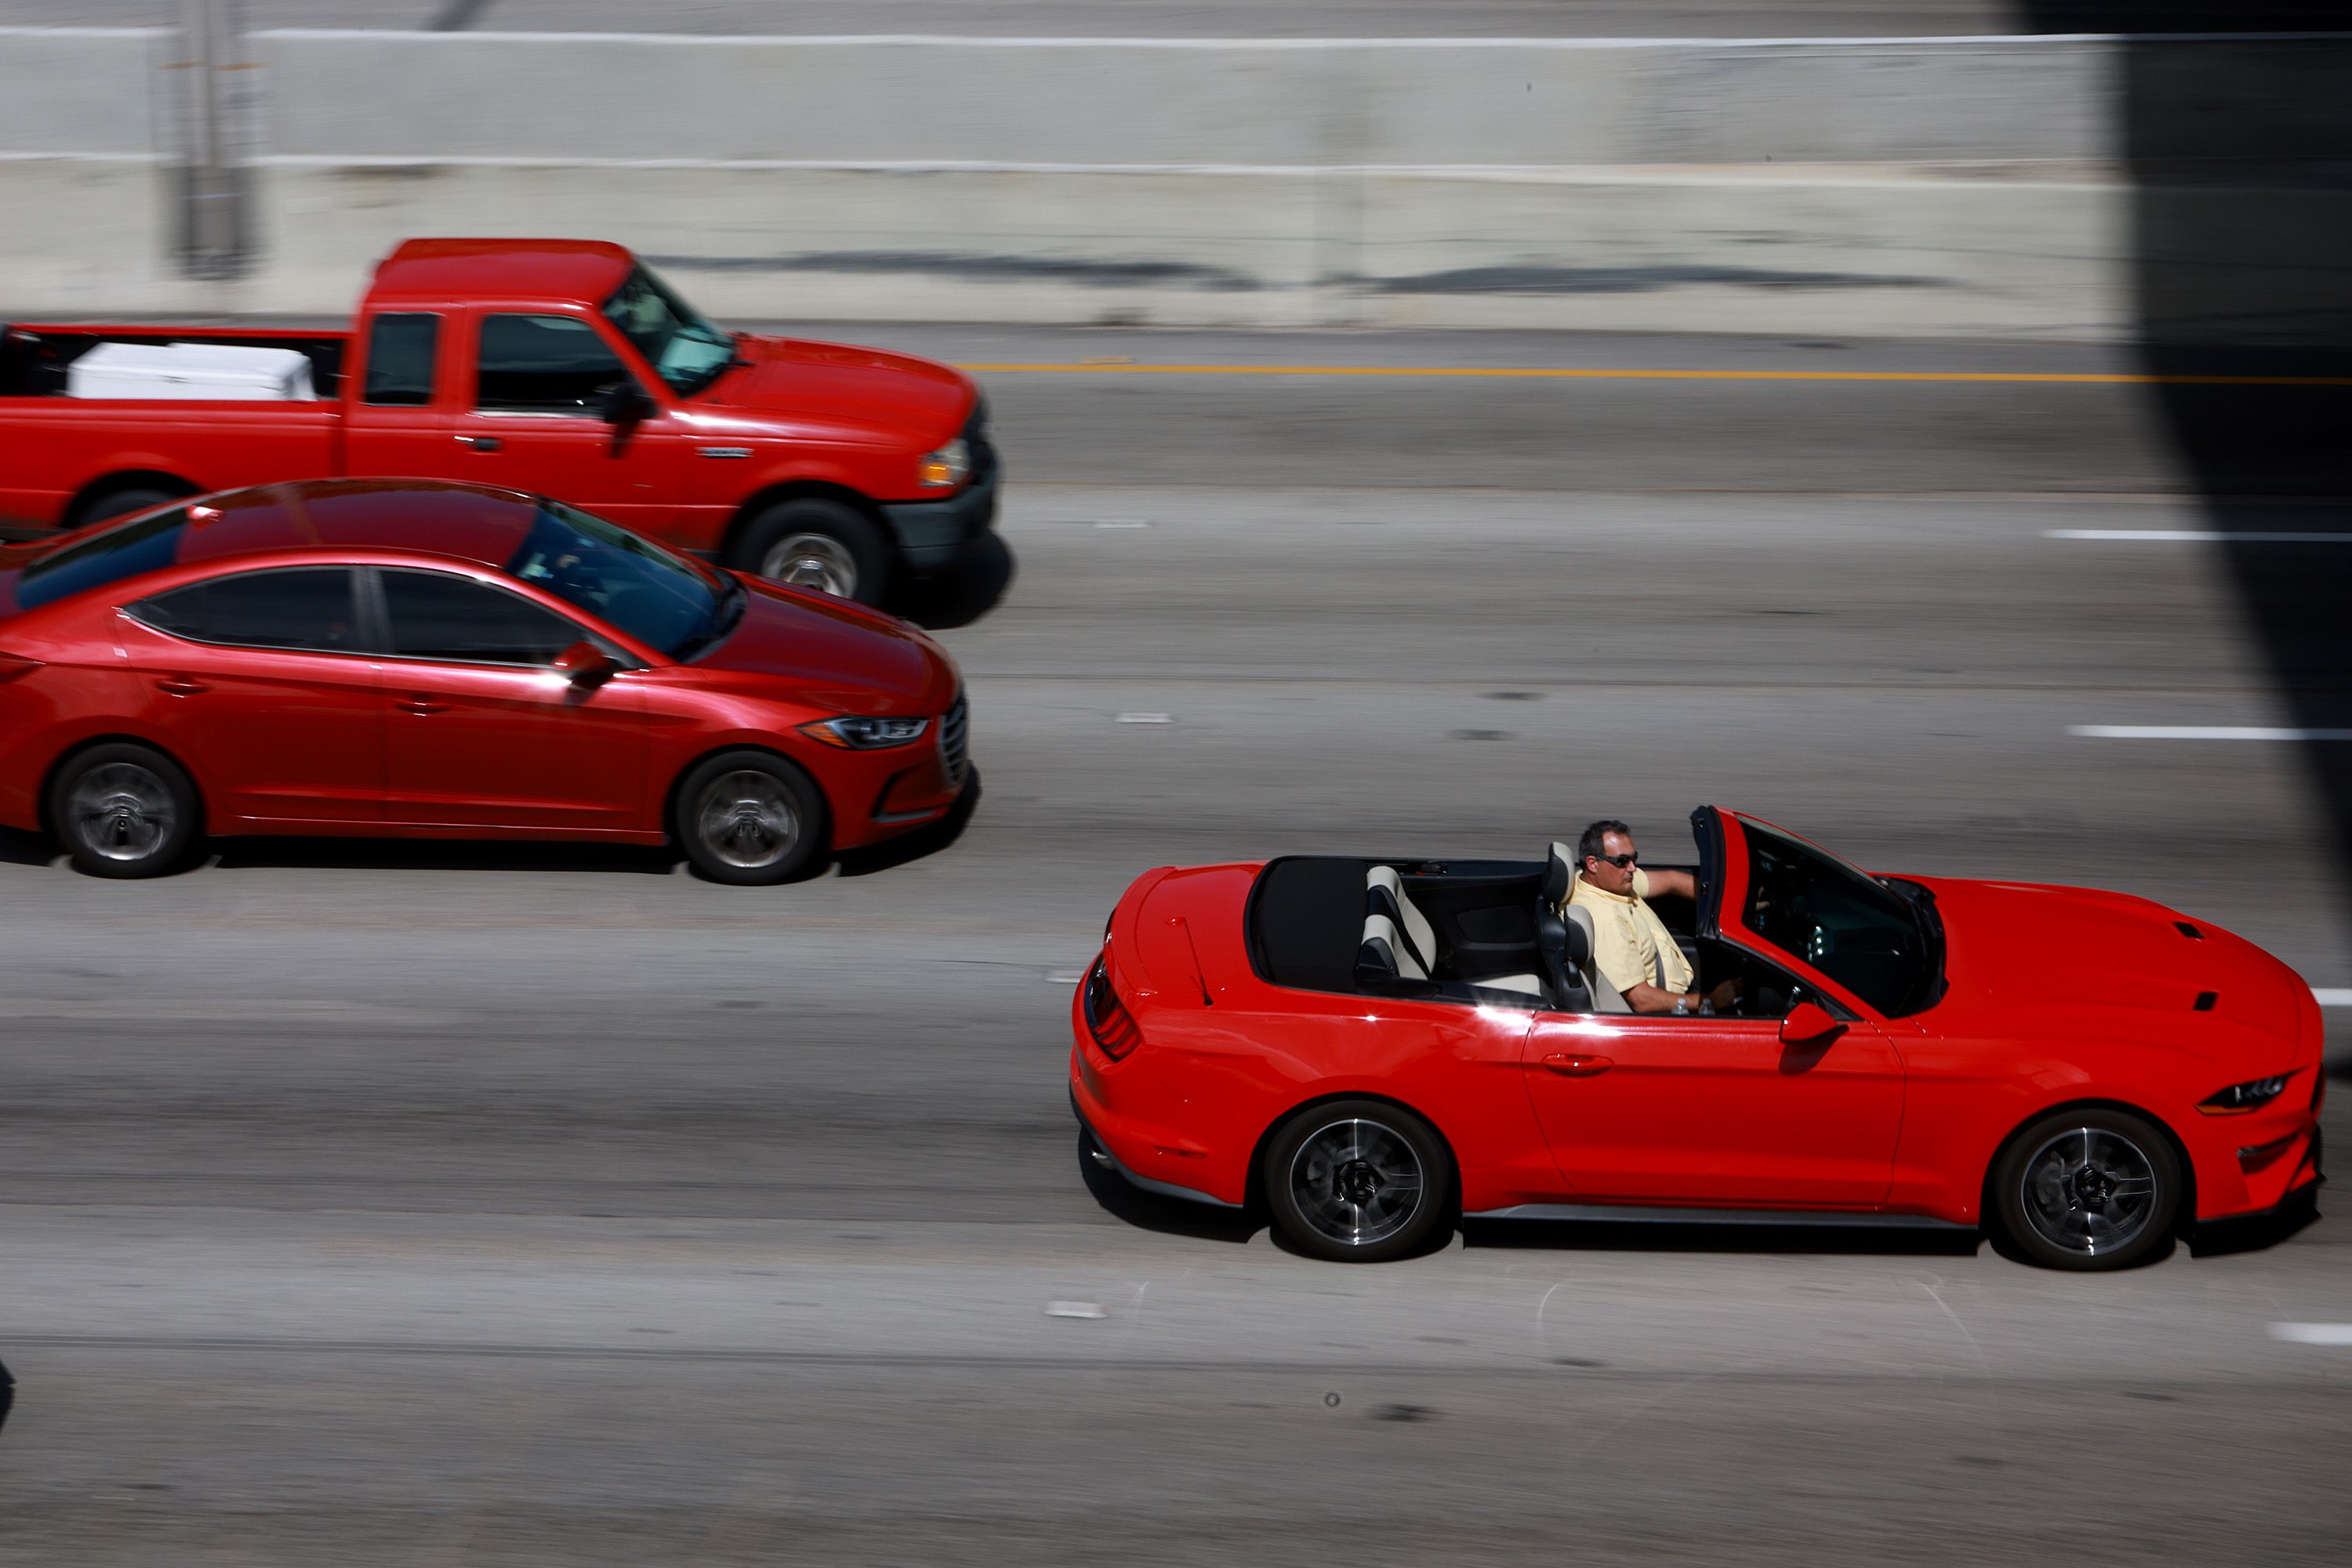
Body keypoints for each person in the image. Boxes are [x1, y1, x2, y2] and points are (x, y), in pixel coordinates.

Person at [1566, 819, 1742, 1017]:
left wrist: (1731, 897)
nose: (1632, 868)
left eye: (1634, 858)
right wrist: (1712, 1000)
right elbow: (1642, 1001)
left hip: (1679, 973)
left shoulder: (1601, 882)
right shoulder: (1605, 921)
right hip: (1670, 1005)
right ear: (1593, 863)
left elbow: (1672, 881)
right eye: (1622, 861)